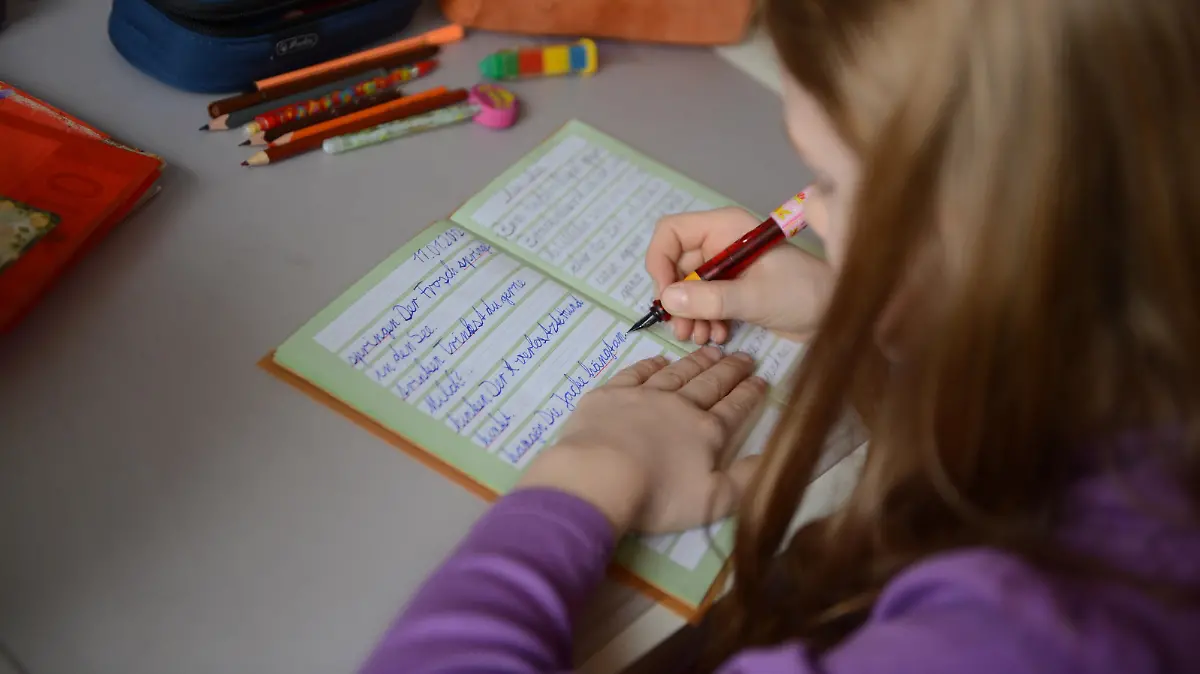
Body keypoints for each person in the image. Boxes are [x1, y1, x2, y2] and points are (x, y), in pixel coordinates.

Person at [359, 0, 1200, 671]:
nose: (811, 215)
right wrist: (856, 310)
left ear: (981, 216)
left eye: (827, 180)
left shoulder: (1005, 640)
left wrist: (582, 480)